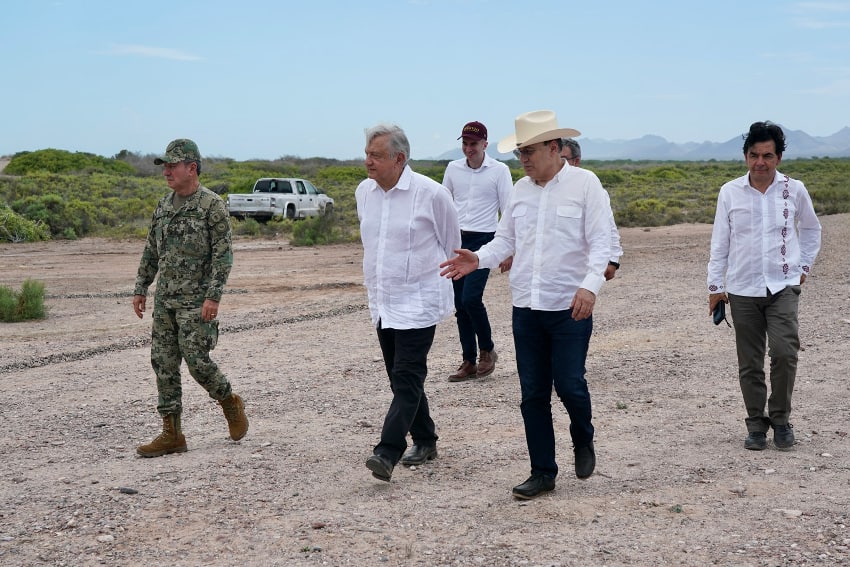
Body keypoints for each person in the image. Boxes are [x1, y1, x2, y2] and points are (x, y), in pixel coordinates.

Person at [440, 110, 614, 500]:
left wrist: (590, 287)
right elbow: (505, 242)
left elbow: (602, 242)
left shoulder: (586, 185)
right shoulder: (520, 190)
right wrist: (478, 259)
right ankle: (542, 472)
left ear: (554, 148)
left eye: (530, 151)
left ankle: (583, 439)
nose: (524, 159)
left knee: (569, 384)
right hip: (527, 307)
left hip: (571, 306)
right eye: (520, 152)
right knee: (533, 393)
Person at [707, 121, 821, 451]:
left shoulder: (794, 190)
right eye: (754, 155)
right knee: (750, 361)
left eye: (768, 155)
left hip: (783, 286)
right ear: (745, 157)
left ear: (779, 158)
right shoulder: (730, 192)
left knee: (785, 353)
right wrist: (715, 287)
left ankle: (781, 419)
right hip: (742, 288)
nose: (761, 162)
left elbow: (812, 230)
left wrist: (804, 267)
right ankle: (756, 424)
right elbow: (720, 243)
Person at [356, 123, 461, 481]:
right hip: (384, 301)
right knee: (400, 379)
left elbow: (451, 244)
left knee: (407, 375)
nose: (368, 162)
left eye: (377, 155)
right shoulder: (364, 193)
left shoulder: (431, 194)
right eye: (367, 154)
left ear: (399, 158)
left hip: (419, 299)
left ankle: (387, 451)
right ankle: (426, 439)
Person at [133, 138, 248, 458]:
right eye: (165, 166)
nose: (167, 172)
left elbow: (223, 256)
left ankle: (228, 401)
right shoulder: (163, 205)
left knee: (197, 362)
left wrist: (213, 297)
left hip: (196, 302)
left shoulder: (212, 206)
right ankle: (172, 433)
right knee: (164, 364)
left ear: (192, 168)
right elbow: (151, 250)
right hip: (166, 301)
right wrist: (141, 286)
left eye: (173, 166)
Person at [441, 121, 513, 382]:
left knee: (472, 298)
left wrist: (508, 249)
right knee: (459, 304)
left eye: (473, 144)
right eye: (465, 144)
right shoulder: (453, 169)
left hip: (485, 240)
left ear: (485, 144)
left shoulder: (499, 171)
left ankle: (488, 350)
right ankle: (468, 360)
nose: (468, 149)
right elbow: (444, 205)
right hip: (458, 240)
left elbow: (509, 210)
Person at [561, 138, 623, 281]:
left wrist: (613, 260)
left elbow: (608, 226)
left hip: (580, 268)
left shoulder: (591, 187)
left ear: (576, 161)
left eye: (563, 159)